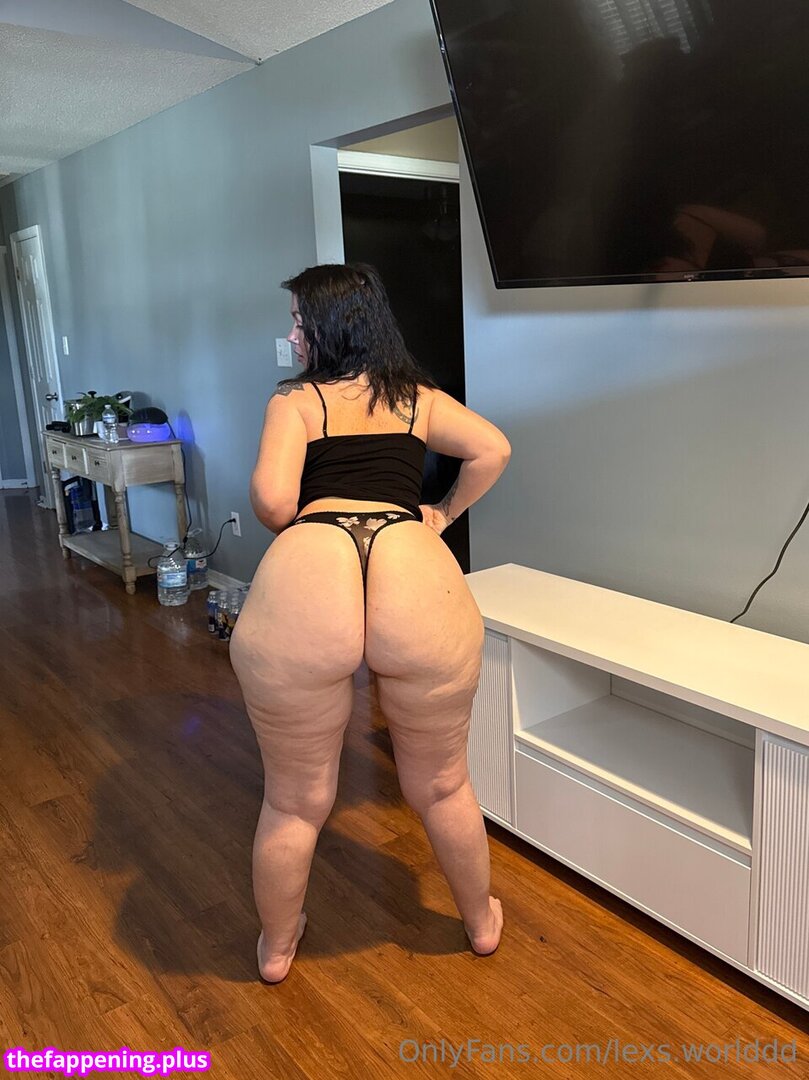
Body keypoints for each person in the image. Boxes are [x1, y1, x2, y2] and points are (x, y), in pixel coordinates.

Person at [229, 263, 511, 983]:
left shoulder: (296, 402)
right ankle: (480, 923)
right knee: (443, 783)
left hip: (312, 567)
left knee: (293, 800)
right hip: (412, 567)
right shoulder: (416, 399)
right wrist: (440, 513)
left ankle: (277, 947)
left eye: (299, 322)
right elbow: (493, 449)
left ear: (328, 328)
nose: (293, 335)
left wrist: (311, 513)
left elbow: (272, 503)